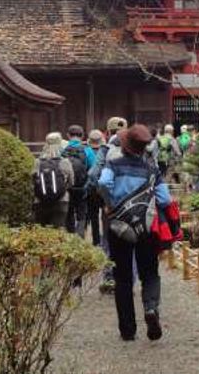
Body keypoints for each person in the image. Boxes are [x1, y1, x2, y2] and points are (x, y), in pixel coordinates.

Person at [98, 124, 172, 342]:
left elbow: (102, 182)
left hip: (119, 225)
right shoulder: (152, 170)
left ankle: (128, 330)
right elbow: (165, 199)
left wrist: (110, 203)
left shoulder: (114, 164)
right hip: (146, 227)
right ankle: (150, 309)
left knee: (122, 277)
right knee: (149, 272)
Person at [86, 116, 128, 292]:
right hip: (130, 203)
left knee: (109, 240)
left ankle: (109, 277)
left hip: (110, 205)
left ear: (107, 132)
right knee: (128, 239)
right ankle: (126, 279)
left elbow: (93, 175)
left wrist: (103, 197)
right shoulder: (136, 148)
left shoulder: (105, 150)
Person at [33, 132, 74, 228]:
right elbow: (71, 182)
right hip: (61, 200)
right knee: (59, 230)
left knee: (41, 233)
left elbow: (33, 180)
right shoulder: (65, 162)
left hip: (40, 201)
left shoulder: (37, 162)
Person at [63, 124, 97, 238]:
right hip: (83, 188)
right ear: (82, 136)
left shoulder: (63, 151)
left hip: (67, 188)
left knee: (69, 212)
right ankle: (80, 238)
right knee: (82, 214)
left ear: (68, 135)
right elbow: (94, 170)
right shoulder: (87, 150)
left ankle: (70, 238)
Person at [86, 129, 105, 246]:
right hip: (104, 186)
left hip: (91, 188)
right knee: (105, 214)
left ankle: (96, 240)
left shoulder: (86, 151)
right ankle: (106, 240)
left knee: (93, 215)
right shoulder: (105, 151)